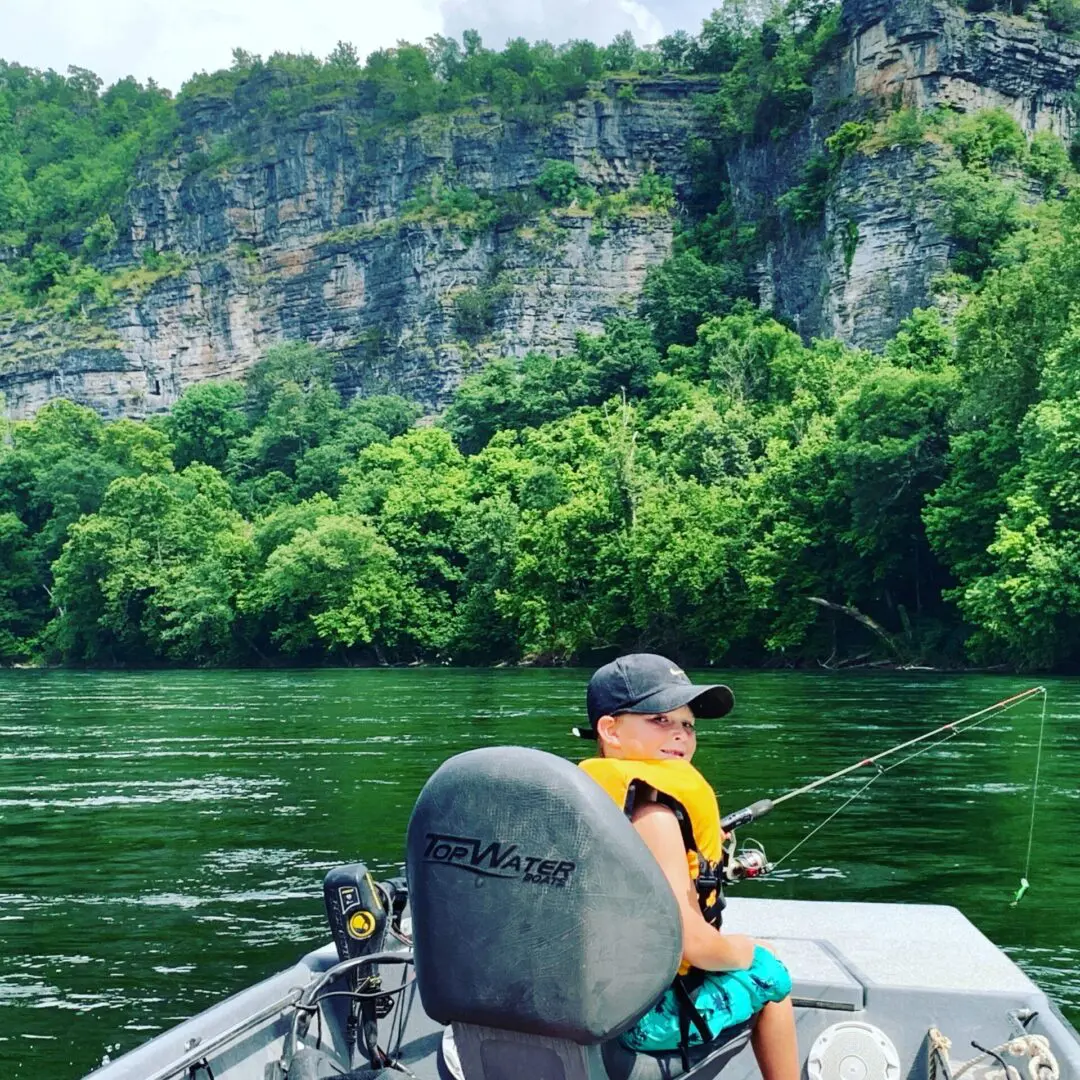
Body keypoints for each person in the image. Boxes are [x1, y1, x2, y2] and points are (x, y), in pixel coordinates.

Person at [576, 653, 799, 1080]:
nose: (680, 735)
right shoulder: (654, 817)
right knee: (770, 976)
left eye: (688, 725)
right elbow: (693, 946)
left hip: (580, 994)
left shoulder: (581, 798)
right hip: (639, 1019)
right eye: (660, 720)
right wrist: (746, 948)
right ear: (610, 730)